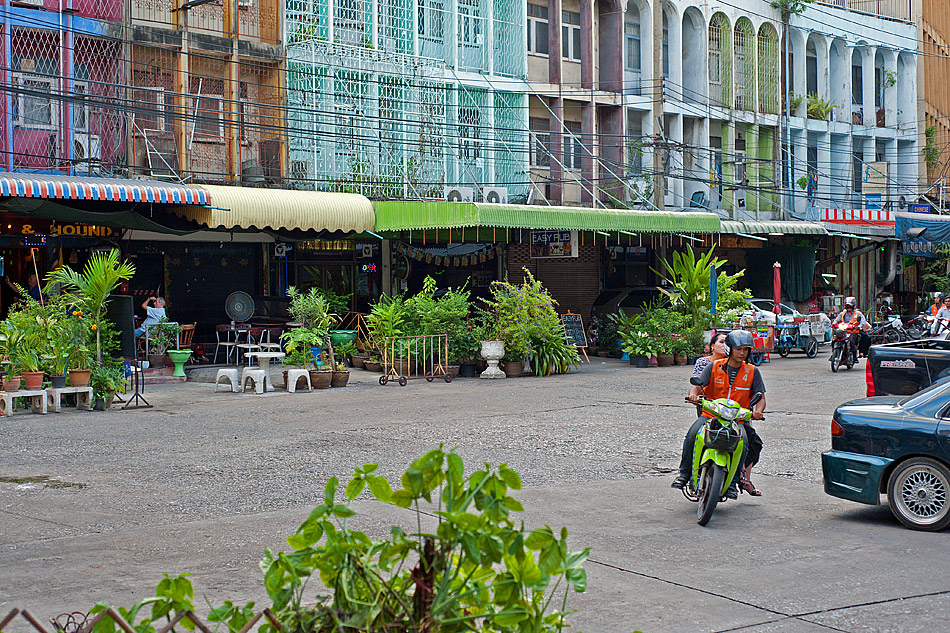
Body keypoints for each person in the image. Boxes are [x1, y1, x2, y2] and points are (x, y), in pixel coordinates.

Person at [672, 330, 766, 500]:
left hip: (737, 419)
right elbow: (697, 386)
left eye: (745, 349)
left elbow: (761, 397)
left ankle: (733, 482)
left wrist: (758, 411)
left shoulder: (752, 371)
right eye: (738, 349)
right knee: (692, 434)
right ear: (730, 349)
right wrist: (693, 394)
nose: (742, 353)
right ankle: (684, 474)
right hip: (711, 414)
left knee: (743, 443)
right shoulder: (713, 366)